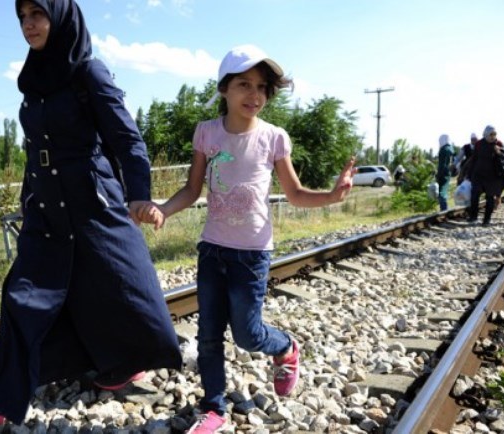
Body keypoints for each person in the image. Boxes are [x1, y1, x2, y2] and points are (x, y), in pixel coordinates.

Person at [0, 0, 182, 425]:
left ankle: (124, 362)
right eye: (22, 17)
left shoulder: (89, 71)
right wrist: (29, 202)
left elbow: (128, 140)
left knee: (115, 285)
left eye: (37, 14)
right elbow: (36, 150)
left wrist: (141, 195)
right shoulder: (33, 78)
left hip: (90, 203)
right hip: (46, 206)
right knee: (23, 295)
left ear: (61, 15)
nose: (28, 24)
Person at [136, 45, 355, 433]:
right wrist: (163, 209)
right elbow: (192, 189)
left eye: (262, 87)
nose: (254, 95)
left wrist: (333, 196)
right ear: (224, 89)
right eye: (244, 85)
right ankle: (214, 407)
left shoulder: (274, 138)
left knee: (249, 334)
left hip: (252, 254)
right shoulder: (206, 133)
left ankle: (285, 348)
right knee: (208, 336)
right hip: (213, 249)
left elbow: (295, 194)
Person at [466, 125, 504, 226]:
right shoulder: (479, 144)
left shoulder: (499, 143)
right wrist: (469, 174)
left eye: (494, 134)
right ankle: (473, 217)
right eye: (490, 134)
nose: (492, 136)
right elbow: (474, 159)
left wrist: (498, 151)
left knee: (490, 198)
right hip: (478, 175)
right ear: (485, 134)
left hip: (493, 177)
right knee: (474, 196)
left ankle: (486, 220)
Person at [436, 134, 455, 211]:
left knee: (441, 191)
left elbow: (442, 164)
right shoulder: (451, 149)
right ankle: (444, 208)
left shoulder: (443, 150)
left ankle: (444, 209)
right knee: (445, 189)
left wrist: (438, 174)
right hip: (448, 172)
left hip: (443, 173)